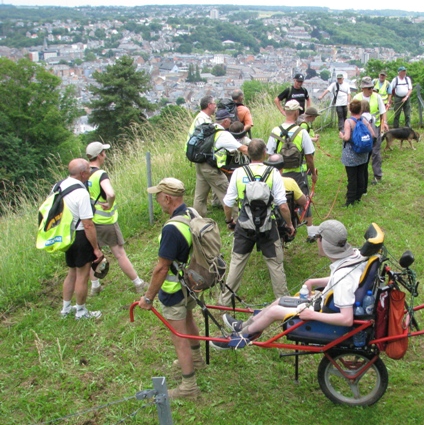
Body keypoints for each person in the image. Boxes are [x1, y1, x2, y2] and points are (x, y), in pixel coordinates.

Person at [216, 220, 366, 346]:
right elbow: (338, 280)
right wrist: (313, 281)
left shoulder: (343, 279)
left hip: (323, 316)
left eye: (317, 238)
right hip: (322, 304)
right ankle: (244, 326)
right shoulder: (354, 257)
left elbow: (346, 319)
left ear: (324, 244)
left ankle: (240, 337)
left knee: (275, 311)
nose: (316, 242)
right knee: (279, 301)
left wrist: (311, 315)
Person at [138, 178, 205, 399]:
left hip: (175, 288)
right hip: (192, 282)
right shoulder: (192, 214)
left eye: (158, 196)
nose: (157, 201)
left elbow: (161, 268)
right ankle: (196, 359)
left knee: (178, 335)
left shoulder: (171, 229)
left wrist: (148, 298)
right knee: (188, 318)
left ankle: (188, 387)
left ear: (167, 198)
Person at [218, 139, 295, 307]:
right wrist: (289, 224)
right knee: (275, 264)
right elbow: (282, 205)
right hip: (268, 226)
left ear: (247, 154)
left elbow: (227, 203)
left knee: (237, 263)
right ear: (265, 153)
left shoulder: (238, 173)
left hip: (244, 224)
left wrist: (229, 220)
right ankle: (283, 301)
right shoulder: (273, 173)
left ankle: (224, 301)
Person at [85, 142, 148, 297]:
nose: (105, 155)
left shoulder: (83, 174)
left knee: (93, 254)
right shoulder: (100, 174)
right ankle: (138, 283)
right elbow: (110, 193)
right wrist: (109, 203)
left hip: (89, 220)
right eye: (104, 152)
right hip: (105, 220)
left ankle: (95, 286)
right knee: (119, 253)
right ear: (100, 155)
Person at [60, 158, 103, 320]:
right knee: (83, 274)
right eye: (89, 170)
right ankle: (81, 311)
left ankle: (65, 309)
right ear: (83, 173)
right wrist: (96, 248)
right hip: (80, 236)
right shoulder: (81, 193)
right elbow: (88, 225)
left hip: (66, 235)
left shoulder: (59, 186)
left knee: (71, 272)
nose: (91, 172)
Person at [267, 100, 317, 225]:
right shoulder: (302, 132)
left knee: (279, 199)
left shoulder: (275, 131)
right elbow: (309, 156)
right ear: (296, 113)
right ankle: (310, 231)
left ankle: (283, 224)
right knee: (304, 200)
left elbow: (269, 155)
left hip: (280, 173)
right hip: (298, 173)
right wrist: (313, 173)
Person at [193, 108, 248, 217]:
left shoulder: (210, 128)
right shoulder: (223, 134)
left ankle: (197, 220)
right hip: (210, 168)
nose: (231, 122)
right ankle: (235, 220)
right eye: (230, 120)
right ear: (225, 121)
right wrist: (258, 155)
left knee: (200, 196)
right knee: (228, 192)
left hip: (200, 164)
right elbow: (243, 149)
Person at [353, 76, 388, 186]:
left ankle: (377, 175)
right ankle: (362, 175)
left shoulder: (377, 97)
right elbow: (352, 113)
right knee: (362, 150)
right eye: (368, 88)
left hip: (374, 127)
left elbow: (383, 112)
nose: (371, 90)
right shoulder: (357, 97)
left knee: (375, 151)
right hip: (360, 129)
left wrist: (384, 123)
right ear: (363, 88)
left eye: (372, 88)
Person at [339, 99, 374, 207]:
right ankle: (358, 197)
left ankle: (350, 200)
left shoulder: (348, 122)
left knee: (352, 178)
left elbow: (347, 137)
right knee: (361, 175)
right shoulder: (364, 120)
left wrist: (342, 136)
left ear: (350, 110)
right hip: (363, 154)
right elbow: (372, 134)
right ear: (361, 110)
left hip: (351, 154)